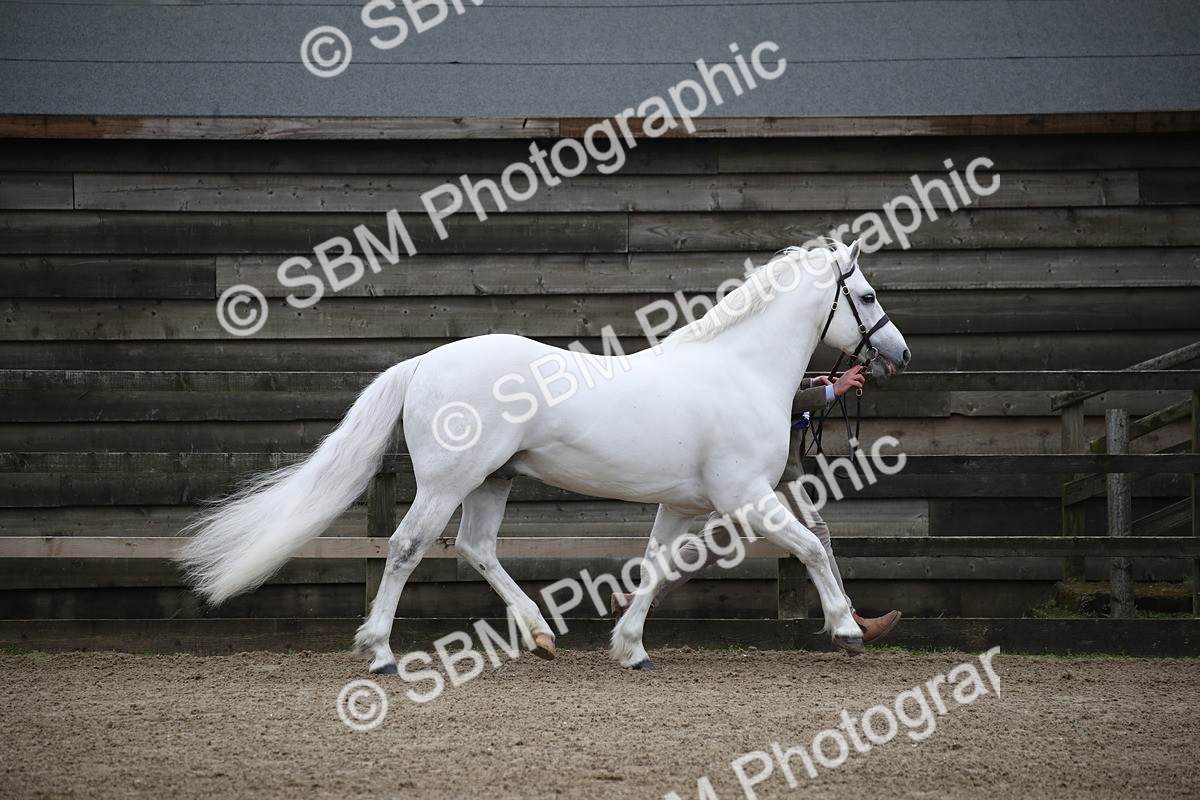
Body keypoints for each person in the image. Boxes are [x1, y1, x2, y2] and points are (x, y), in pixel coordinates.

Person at [611, 364, 902, 644]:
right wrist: (830, 391)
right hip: (772, 478)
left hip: (755, 475)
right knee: (817, 533)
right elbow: (770, 400)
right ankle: (850, 622)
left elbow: (779, 390)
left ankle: (636, 602)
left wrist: (809, 385)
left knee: (713, 542)